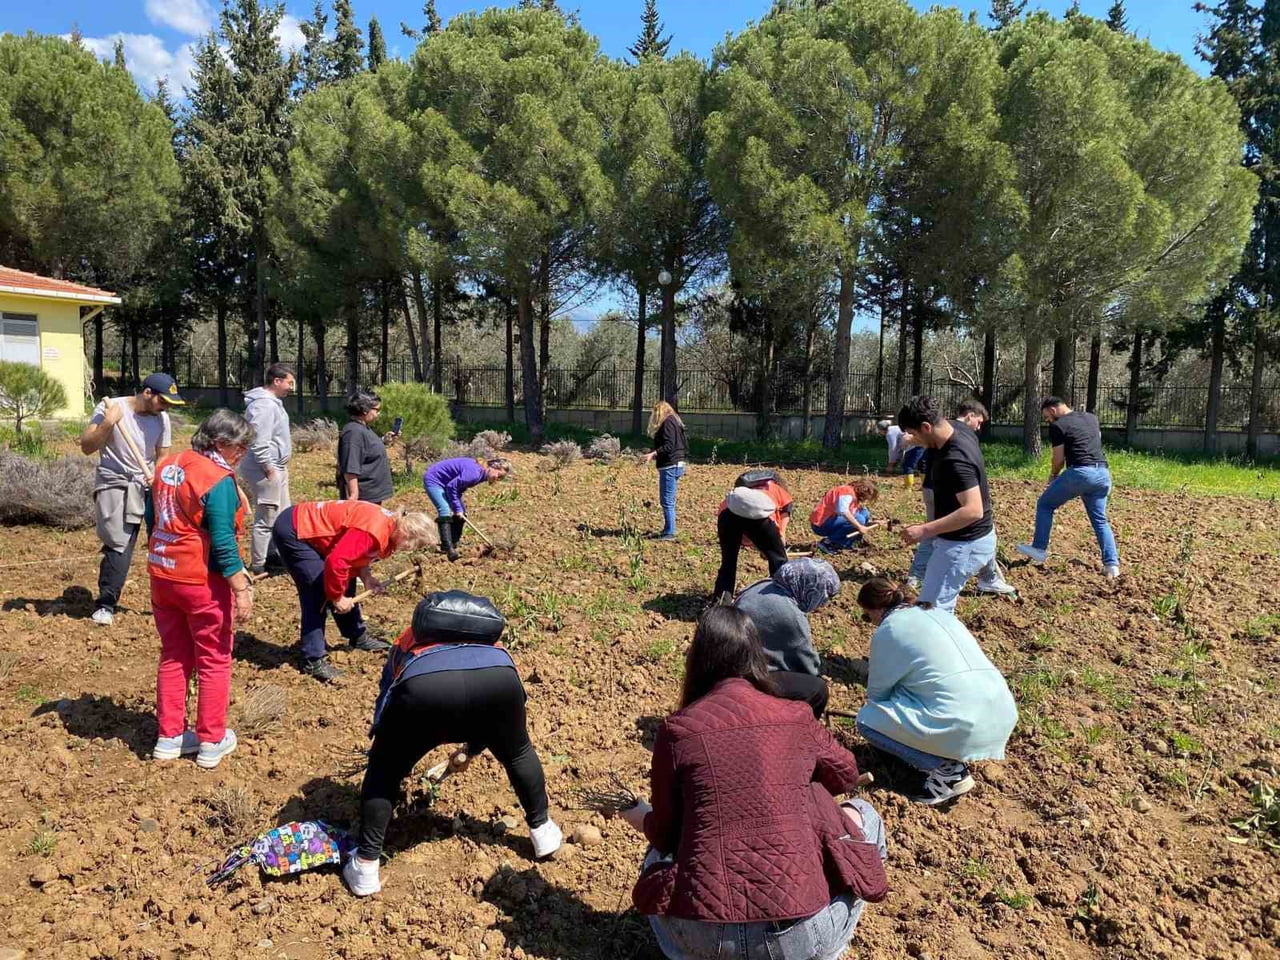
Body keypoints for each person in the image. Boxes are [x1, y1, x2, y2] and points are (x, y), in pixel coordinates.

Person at [617, 606, 888, 960]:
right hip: (798, 937)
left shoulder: (678, 729)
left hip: (705, 935)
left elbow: (666, 835)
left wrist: (640, 815)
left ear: (698, 660)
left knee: (656, 858)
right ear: (757, 656)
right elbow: (846, 775)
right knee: (865, 815)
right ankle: (826, 952)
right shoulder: (795, 715)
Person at [344, 590, 563, 896]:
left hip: (426, 689)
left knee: (385, 772)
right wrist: (473, 747)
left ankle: (366, 866)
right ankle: (543, 833)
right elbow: (485, 708)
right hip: (499, 682)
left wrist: (383, 746)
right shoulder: (491, 644)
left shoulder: (406, 639)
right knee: (518, 753)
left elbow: (388, 693)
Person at [147, 409, 255, 769]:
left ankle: (169, 737)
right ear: (221, 443)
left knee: (174, 654)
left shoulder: (168, 465)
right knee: (214, 658)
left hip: (163, 573)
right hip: (199, 580)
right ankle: (211, 740)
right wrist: (240, 586)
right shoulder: (215, 478)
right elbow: (223, 540)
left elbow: (152, 518)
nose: (242, 455)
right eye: (239, 448)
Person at [855, 579, 1017, 805]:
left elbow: (877, 695)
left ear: (876, 609)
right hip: (1001, 710)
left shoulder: (889, 629)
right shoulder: (939, 613)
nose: (870, 622)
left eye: (867, 616)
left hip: (963, 721)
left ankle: (947, 771)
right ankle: (943, 749)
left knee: (867, 720)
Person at [271, 500, 438, 682]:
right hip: (295, 529)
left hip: (315, 531)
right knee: (318, 592)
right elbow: (337, 562)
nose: (411, 549)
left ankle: (356, 636)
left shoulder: (391, 526)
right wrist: (337, 597)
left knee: (345, 576)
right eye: (416, 544)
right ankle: (312, 659)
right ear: (408, 533)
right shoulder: (374, 531)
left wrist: (366, 577)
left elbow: (355, 556)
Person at [79, 373, 181, 626]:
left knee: (165, 540)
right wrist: (108, 423)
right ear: (147, 393)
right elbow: (87, 446)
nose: (166, 407)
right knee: (120, 542)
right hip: (116, 484)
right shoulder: (111, 408)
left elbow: (162, 455)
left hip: (148, 484)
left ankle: (171, 601)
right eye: (163, 401)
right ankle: (106, 604)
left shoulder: (162, 418)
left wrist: (157, 474)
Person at [896, 396, 999, 613]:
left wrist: (924, 530)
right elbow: (927, 436)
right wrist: (913, 440)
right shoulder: (957, 429)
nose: (912, 439)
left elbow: (973, 510)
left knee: (932, 610)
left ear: (926, 427)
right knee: (933, 607)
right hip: (966, 538)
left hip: (964, 543)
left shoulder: (955, 460)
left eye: (914, 433)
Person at [1017, 397, 1120, 578]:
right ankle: (1112, 565)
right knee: (1100, 521)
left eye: (1047, 417)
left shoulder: (1058, 426)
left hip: (1080, 473)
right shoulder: (1091, 418)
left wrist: (1054, 475)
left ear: (1053, 410)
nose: (1048, 420)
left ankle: (1039, 548)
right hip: (1103, 474)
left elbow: (1058, 459)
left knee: (1045, 504)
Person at [734, 557, 841, 718]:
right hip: (748, 676)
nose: (823, 604)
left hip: (733, 660)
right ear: (813, 589)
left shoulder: (762, 586)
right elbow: (807, 666)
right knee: (817, 689)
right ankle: (794, 726)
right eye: (825, 597)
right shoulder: (791, 616)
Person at [240, 363, 296, 575]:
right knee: (267, 515)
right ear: (276, 381)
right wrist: (269, 468)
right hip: (265, 468)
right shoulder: (263, 405)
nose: (291, 387)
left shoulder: (273, 403)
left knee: (282, 515)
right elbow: (258, 441)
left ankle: (274, 556)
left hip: (276, 466)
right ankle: (259, 565)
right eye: (289, 383)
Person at [713, 469, 793, 600]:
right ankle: (782, 599)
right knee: (779, 561)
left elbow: (742, 526)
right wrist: (777, 540)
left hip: (727, 513)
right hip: (761, 518)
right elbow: (786, 510)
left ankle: (721, 602)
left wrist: (760, 543)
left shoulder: (739, 493)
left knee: (728, 562)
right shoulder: (778, 489)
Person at [423, 456, 513, 562]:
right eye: (499, 475)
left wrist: (458, 508)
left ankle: (453, 542)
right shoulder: (475, 473)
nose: (497, 479)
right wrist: (457, 508)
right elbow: (452, 487)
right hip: (435, 480)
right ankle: (447, 548)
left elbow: (458, 487)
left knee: (462, 514)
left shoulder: (482, 474)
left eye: (500, 478)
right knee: (444, 509)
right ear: (493, 467)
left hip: (448, 484)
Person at [337, 390, 393, 505]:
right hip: (363, 499)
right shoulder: (353, 432)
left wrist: (384, 440)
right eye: (376, 410)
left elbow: (368, 448)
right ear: (365, 410)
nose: (378, 414)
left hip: (372, 496)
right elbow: (350, 467)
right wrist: (354, 495)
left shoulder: (362, 428)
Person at [642, 401, 688, 540]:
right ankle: (668, 529)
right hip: (678, 463)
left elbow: (669, 445)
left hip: (669, 465)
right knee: (669, 500)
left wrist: (653, 454)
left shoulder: (667, 422)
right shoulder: (675, 422)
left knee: (666, 500)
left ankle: (670, 532)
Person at [810, 478, 881, 553]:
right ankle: (829, 543)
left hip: (832, 520)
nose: (866, 499)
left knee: (864, 513)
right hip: (821, 524)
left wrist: (872, 523)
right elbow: (843, 511)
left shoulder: (853, 496)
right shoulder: (847, 492)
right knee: (859, 519)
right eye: (868, 497)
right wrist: (859, 526)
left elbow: (852, 517)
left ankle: (854, 542)